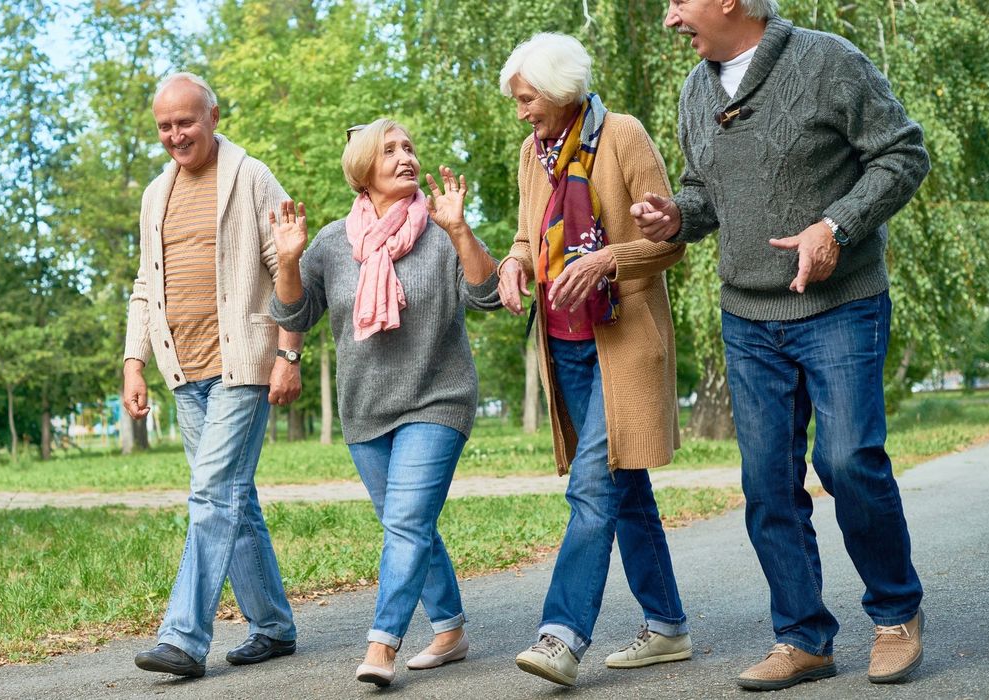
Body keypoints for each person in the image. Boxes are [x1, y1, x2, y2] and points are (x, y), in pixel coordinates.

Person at [632, 0, 930, 690]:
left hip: (838, 304)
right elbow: (704, 192)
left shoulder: (828, 61)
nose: (671, 17)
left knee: (847, 458)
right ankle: (802, 637)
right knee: (766, 481)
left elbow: (903, 153)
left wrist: (838, 226)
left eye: (680, 1)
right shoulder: (694, 88)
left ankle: (894, 615)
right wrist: (677, 216)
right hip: (747, 315)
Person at [269, 119, 500, 686]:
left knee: (405, 522)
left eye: (410, 148)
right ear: (362, 170)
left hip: (437, 398)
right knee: (410, 525)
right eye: (391, 149)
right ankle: (449, 630)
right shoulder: (330, 243)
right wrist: (291, 262)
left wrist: (462, 232)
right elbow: (295, 316)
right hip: (366, 408)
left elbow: (488, 294)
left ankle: (382, 645)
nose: (406, 157)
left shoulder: (442, 226)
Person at [494, 33, 691, 688]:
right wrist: (515, 262)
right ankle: (666, 627)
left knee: (590, 487)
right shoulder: (533, 152)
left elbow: (670, 242)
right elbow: (528, 234)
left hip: (623, 342)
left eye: (526, 98)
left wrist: (610, 257)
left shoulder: (623, 136)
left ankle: (561, 635)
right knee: (622, 486)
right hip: (566, 346)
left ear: (559, 90)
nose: (521, 111)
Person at [123, 72, 304, 679]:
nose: (176, 135)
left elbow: (287, 262)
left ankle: (182, 638)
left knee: (211, 496)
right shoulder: (156, 194)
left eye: (186, 122)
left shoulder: (251, 176)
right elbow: (145, 286)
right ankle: (274, 627)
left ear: (214, 116)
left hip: (243, 364)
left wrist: (289, 353)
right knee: (235, 500)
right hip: (185, 369)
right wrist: (134, 361)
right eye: (165, 126)